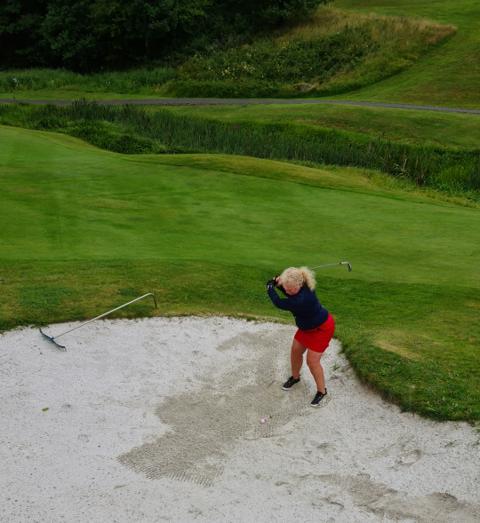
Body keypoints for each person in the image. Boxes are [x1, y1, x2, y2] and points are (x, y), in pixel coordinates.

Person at [266, 266, 335, 407]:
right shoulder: (302, 284)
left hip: (322, 329)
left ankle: (322, 391)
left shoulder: (301, 300)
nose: (288, 292)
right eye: (286, 288)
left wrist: (270, 287)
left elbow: (279, 302)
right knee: (295, 350)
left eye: (290, 289)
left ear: (299, 284)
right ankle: (295, 377)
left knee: (312, 361)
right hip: (306, 328)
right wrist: (279, 283)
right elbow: (289, 291)